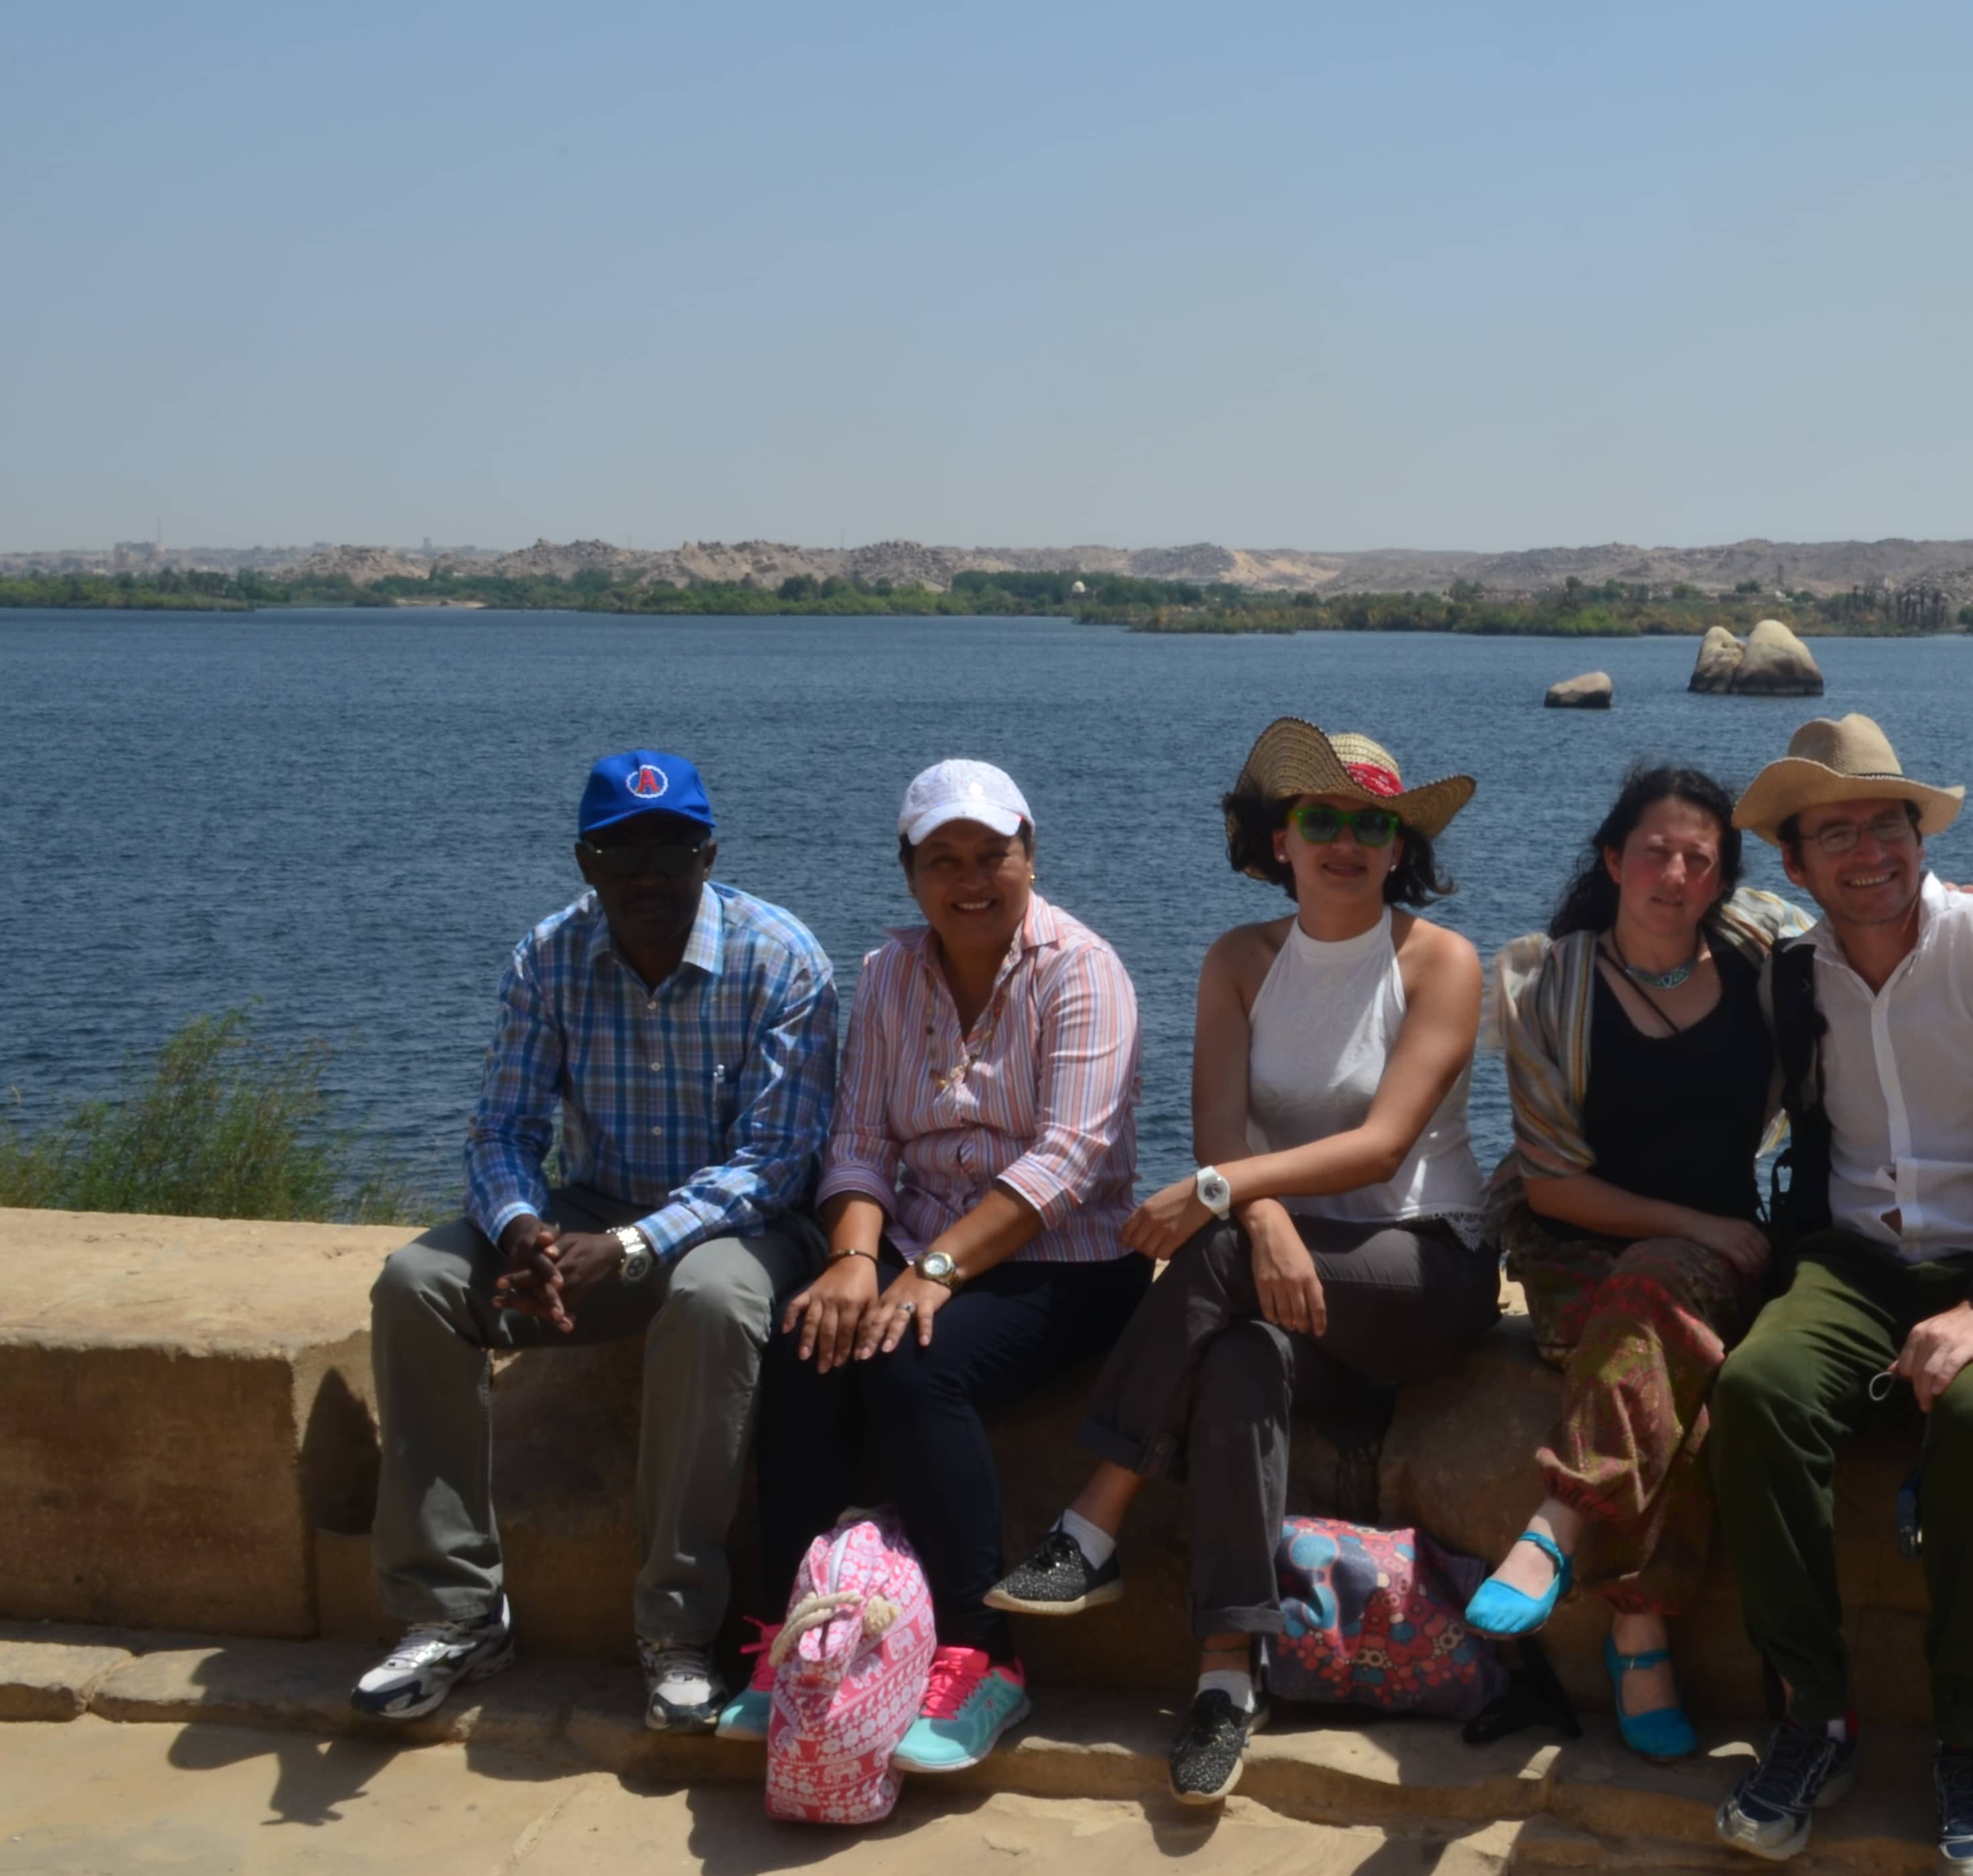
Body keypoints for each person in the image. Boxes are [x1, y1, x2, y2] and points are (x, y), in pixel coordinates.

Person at [991, 721, 1499, 1808]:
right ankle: (1228, 1675)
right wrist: (1255, 1212)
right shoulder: (1238, 960)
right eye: (1324, 819)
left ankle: (1095, 1517)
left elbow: (1383, 1145)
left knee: (1221, 1248)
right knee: (1235, 1362)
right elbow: (1221, 1127)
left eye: (1375, 824)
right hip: (1286, 1284)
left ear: (1401, 848)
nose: (1349, 842)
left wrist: (1235, 1198)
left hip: (1425, 1275)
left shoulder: (1442, 963)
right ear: (1280, 839)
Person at [1703, 713, 1973, 1876]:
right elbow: (1652, 953)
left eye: (1888, 823)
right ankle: (1813, 1717)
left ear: (1921, 833)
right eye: (1836, 833)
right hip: (1858, 1265)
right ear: (1795, 865)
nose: (1868, 850)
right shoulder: (1789, 968)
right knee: (1760, 1391)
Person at [353, 750, 837, 1731]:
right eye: (622, 851)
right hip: (596, 1213)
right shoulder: (550, 956)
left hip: (750, 1231)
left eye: (671, 849)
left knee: (711, 1298)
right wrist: (522, 1227)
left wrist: (626, 1247)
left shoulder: (782, 959)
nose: (647, 874)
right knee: (418, 1284)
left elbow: (777, 1162)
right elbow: (501, 1129)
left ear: (710, 855)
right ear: (586, 862)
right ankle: (453, 1613)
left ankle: (677, 1628)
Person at [735, 760, 1149, 1769]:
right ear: (910, 872)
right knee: (811, 1342)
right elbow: (861, 1143)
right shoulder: (888, 975)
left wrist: (936, 1275)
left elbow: (1067, 1162)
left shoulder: (1081, 970)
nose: (971, 880)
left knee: (918, 1364)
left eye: (991, 856)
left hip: (1069, 1260)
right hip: (918, 1242)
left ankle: (983, 1655)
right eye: (943, 860)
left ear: (1030, 856)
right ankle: (781, 1637)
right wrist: (854, 1258)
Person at [1465, 763, 1810, 1759]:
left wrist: (1959, 904)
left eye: (1699, 859)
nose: (1675, 872)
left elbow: (1871, 921)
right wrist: (1694, 1226)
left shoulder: (1763, 957)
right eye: (1655, 850)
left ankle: (1561, 1529)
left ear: (1723, 883)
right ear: (1614, 860)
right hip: (1580, 1249)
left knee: (1683, 1350)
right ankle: (1639, 1629)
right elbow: (1553, 1185)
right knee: (1680, 1375)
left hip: (1713, 1256)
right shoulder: (1545, 985)